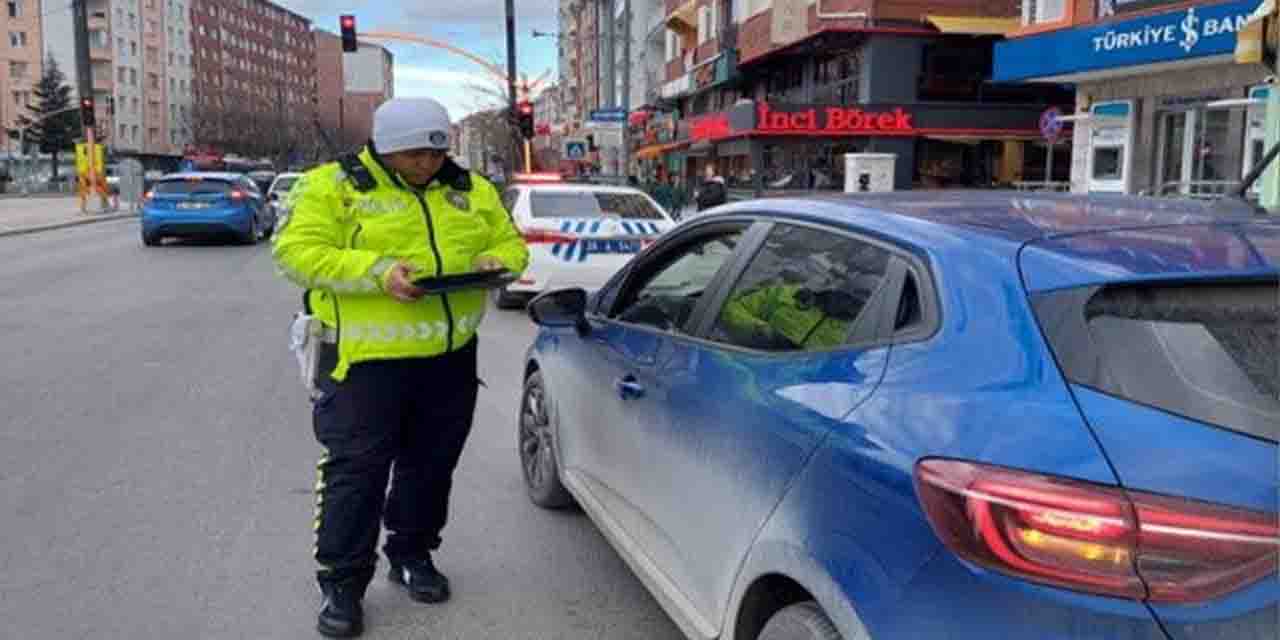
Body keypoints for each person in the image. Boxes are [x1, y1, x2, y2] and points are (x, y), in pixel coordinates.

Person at [272, 97, 529, 638]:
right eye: (414, 155)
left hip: (449, 360)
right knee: (355, 473)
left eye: (435, 154)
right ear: (386, 148)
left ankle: (412, 553)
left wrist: (499, 261)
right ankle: (341, 582)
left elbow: (509, 241)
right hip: (365, 363)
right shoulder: (332, 187)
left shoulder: (469, 188)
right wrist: (377, 272)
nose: (427, 165)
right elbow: (294, 251)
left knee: (432, 466)